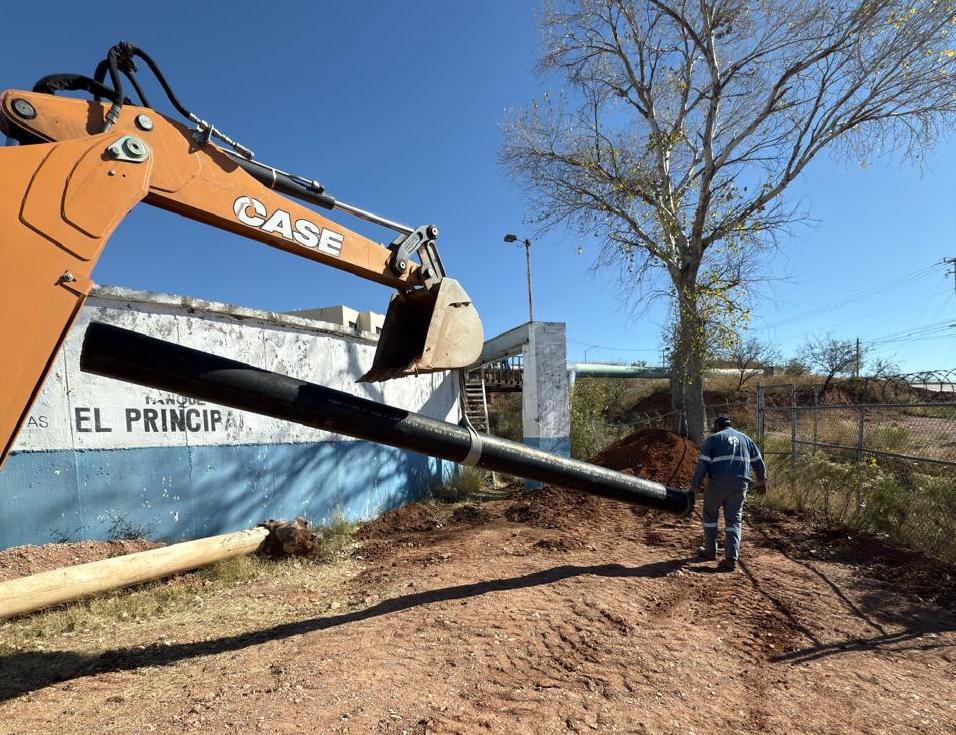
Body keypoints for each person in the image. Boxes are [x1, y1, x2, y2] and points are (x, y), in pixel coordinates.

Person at [689, 416, 766, 572]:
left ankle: (710, 550)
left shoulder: (713, 439)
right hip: (740, 484)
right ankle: (731, 558)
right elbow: (758, 462)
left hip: (717, 483)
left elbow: (702, 465)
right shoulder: (746, 439)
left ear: (717, 426)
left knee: (710, 515)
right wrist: (762, 481)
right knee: (734, 520)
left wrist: (694, 486)